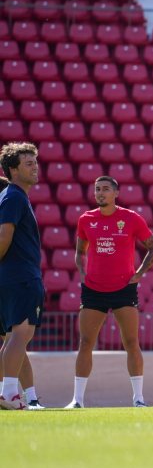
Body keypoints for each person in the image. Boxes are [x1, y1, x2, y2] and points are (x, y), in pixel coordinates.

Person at [69, 176, 153, 408]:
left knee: (131, 342)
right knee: (86, 342)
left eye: (106, 189)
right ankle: (77, 400)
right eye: (97, 189)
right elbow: (80, 251)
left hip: (124, 289)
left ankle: (138, 399)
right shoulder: (86, 219)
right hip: (93, 289)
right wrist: (82, 273)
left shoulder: (131, 218)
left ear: (116, 193)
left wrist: (139, 274)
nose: (100, 193)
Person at [0, 142, 43, 411]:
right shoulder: (14, 197)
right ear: (13, 170)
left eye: (35, 162)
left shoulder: (13, 196)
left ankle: (13, 394)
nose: (35, 167)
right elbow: (5, 235)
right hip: (21, 276)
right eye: (28, 163)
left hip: (11, 276)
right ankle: (9, 394)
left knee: (12, 337)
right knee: (21, 334)